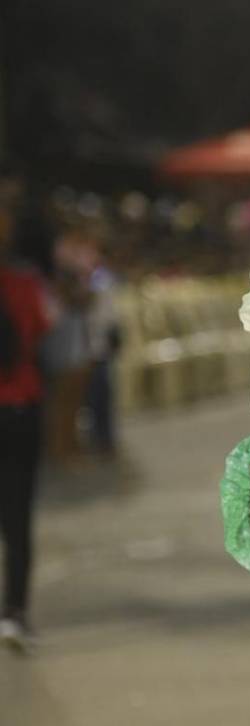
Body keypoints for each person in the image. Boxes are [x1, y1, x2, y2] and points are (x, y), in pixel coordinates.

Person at [1, 166, 51, 652]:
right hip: (20, 407)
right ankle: (13, 610)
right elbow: (43, 334)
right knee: (18, 518)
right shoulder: (24, 282)